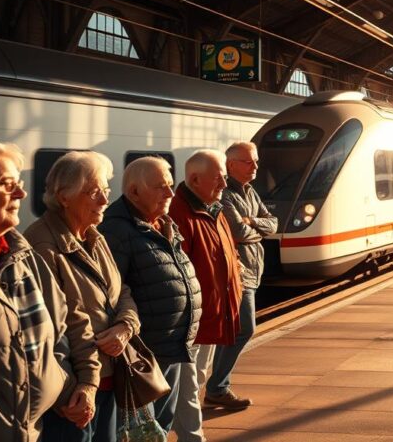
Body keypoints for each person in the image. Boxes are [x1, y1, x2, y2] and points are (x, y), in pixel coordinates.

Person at [0, 140, 99, 442]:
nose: (21, 193)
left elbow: (59, 329)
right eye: (7, 185)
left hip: (32, 430)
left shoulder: (21, 255)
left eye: (18, 183)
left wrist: (69, 387)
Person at [25, 152, 140, 442]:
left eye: (106, 191)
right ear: (64, 197)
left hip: (108, 378)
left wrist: (126, 326)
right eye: (94, 192)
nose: (104, 200)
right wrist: (73, 394)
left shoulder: (93, 236)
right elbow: (52, 330)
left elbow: (121, 291)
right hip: (74, 395)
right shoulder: (43, 245)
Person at [100, 157, 202, 438]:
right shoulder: (117, 230)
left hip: (172, 345)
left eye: (170, 186)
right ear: (134, 192)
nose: (170, 194)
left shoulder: (162, 223)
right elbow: (113, 291)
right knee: (142, 430)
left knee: (161, 426)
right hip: (145, 354)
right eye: (161, 187)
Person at [168, 150, 243, 440]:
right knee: (187, 386)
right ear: (195, 179)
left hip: (212, 312)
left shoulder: (214, 208)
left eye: (224, 176)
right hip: (192, 319)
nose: (224, 184)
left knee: (197, 378)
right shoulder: (178, 213)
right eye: (218, 178)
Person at [206, 142, 277, 409]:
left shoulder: (249, 192)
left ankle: (217, 385)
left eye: (256, 161)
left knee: (235, 329)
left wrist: (253, 223)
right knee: (245, 328)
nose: (256, 167)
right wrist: (254, 226)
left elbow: (273, 221)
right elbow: (237, 231)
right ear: (231, 164)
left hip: (252, 269)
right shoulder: (226, 194)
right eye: (249, 162)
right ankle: (217, 386)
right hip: (238, 272)